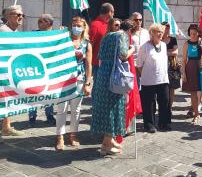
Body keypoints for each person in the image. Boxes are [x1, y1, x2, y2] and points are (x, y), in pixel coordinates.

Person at [91, 19, 135, 155]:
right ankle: (108, 141)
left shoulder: (108, 35)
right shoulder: (122, 36)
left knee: (105, 106)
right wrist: (132, 49)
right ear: (130, 30)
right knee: (113, 107)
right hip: (114, 75)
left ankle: (106, 141)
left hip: (103, 73)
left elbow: (99, 55)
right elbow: (123, 56)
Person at [55, 16, 92, 151]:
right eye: (74, 25)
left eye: (79, 25)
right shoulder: (64, 41)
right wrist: (60, 35)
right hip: (63, 80)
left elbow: (88, 64)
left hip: (79, 79)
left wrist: (88, 82)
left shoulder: (86, 44)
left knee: (76, 110)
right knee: (61, 109)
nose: (76, 27)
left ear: (83, 28)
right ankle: (60, 136)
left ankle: (73, 134)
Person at [137, 24, 171, 132]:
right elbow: (139, 65)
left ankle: (164, 123)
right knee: (149, 104)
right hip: (148, 81)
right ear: (152, 33)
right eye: (158, 32)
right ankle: (149, 124)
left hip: (163, 79)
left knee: (164, 101)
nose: (161, 34)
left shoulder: (164, 45)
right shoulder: (145, 47)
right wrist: (145, 76)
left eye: (161, 32)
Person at [182, 24, 202, 129]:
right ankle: (196, 114)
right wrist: (183, 73)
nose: (193, 36)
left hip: (201, 68)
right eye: (191, 34)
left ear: (198, 33)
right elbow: (183, 60)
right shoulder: (186, 44)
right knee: (193, 93)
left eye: (195, 33)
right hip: (190, 68)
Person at [0, 5, 25, 140]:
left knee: (7, 100)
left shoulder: (14, 32)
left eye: (22, 15)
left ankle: (6, 127)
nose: (21, 17)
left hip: (9, 72)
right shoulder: (4, 31)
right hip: (2, 72)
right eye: (17, 14)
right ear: (9, 16)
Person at [29, 14, 56, 126]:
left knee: (48, 92)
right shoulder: (33, 34)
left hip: (49, 68)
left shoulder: (56, 35)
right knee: (33, 92)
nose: (39, 23)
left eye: (42, 21)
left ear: (49, 23)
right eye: (38, 21)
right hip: (35, 68)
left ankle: (49, 114)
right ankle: (32, 116)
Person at [89, 3, 114, 84]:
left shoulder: (109, 25)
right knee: (97, 87)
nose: (113, 14)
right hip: (97, 64)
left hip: (108, 63)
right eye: (113, 12)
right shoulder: (95, 25)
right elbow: (90, 45)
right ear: (109, 12)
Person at [161, 22, 179, 114]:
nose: (166, 29)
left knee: (171, 88)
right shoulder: (159, 39)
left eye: (168, 27)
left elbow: (175, 52)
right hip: (160, 66)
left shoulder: (173, 39)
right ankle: (163, 107)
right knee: (162, 87)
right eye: (164, 27)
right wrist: (169, 51)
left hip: (172, 65)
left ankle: (170, 108)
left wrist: (164, 52)